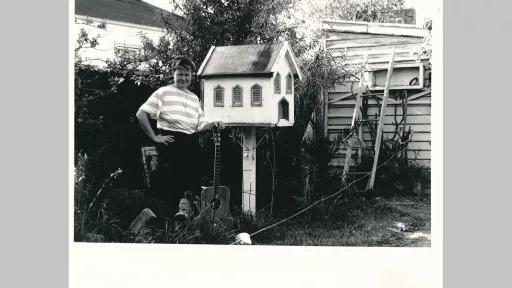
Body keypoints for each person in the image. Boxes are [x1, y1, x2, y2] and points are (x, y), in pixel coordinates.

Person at [136, 56, 222, 217]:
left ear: (191, 75)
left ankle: (191, 221)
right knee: (174, 183)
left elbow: (199, 126)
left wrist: (213, 123)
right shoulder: (164, 92)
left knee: (195, 182)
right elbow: (141, 113)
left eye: (186, 74)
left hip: (191, 141)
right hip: (171, 140)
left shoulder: (194, 98)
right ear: (173, 74)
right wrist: (155, 137)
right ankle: (170, 222)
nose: (183, 78)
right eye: (180, 74)